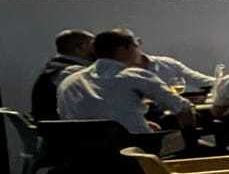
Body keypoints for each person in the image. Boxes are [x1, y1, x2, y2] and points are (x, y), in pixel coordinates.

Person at [59, 28, 192, 137]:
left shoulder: (69, 82)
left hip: (82, 154)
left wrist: (135, 122)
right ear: (124, 49)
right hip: (134, 152)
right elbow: (183, 108)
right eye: (136, 46)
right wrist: (190, 137)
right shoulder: (135, 75)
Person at [31, 30, 93, 122]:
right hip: (63, 128)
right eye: (93, 45)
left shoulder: (54, 67)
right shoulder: (70, 73)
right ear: (80, 47)